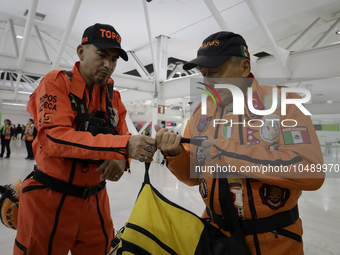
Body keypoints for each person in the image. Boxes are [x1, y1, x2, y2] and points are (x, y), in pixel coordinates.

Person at [155, 31, 325, 255]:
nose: (208, 83)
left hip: (274, 242)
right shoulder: (200, 115)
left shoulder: (284, 104)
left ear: (244, 67)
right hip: (214, 237)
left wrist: (225, 153)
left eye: (215, 73)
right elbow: (194, 178)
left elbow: (310, 170)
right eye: (204, 75)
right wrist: (176, 154)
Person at [14, 23, 156, 255]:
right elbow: (54, 137)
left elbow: (124, 135)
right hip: (48, 200)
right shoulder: (55, 83)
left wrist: (122, 160)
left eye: (113, 59)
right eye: (101, 55)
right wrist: (121, 147)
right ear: (81, 52)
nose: (108, 65)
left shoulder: (113, 97)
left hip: (95, 202)